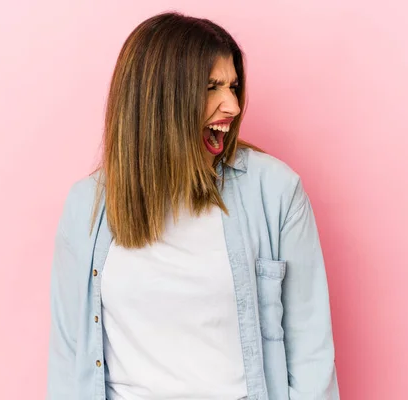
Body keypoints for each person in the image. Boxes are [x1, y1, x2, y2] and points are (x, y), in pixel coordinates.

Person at [46, 11, 340, 400]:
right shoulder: (87, 206)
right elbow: (68, 362)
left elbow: (311, 357)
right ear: (159, 100)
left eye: (233, 87)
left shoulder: (276, 192)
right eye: (211, 87)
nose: (232, 106)